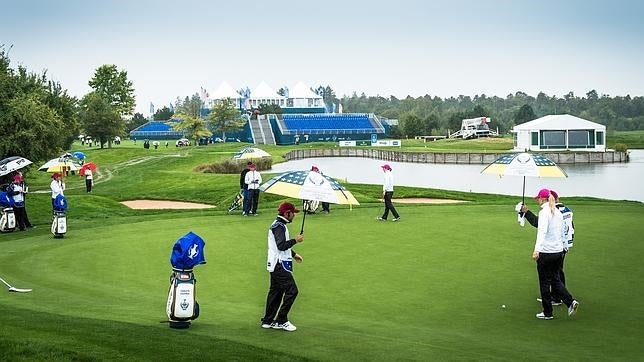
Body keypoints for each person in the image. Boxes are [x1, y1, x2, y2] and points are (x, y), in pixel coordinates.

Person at [531, 188, 579, 320]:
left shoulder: (544, 213)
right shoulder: (557, 212)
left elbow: (542, 232)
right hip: (558, 252)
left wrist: (537, 250)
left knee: (544, 282)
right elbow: (562, 231)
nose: (538, 200)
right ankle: (570, 302)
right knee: (555, 280)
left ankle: (548, 313)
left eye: (539, 198)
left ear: (543, 199)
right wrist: (564, 246)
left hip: (546, 252)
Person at [521, 189, 575, 305]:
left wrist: (537, 250)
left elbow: (540, 227)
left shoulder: (550, 211)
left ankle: (553, 303)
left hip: (550, 249)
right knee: (556, 274)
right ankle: (562, 299)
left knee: (550, 277)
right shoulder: (564, 211)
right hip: (560, 247)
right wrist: (566, 245)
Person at [261, 202, 304, 332]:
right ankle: (281, 320)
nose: (294, 216)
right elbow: (281, 246)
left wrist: (294, 254)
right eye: (293, 214)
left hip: (274, 263)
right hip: (279, 264)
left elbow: (278, 247)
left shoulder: (278, 225)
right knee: (292, 291)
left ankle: (268, 321)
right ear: (287, 213)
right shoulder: (279, 226)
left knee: (276, 292)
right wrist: (295, 240)